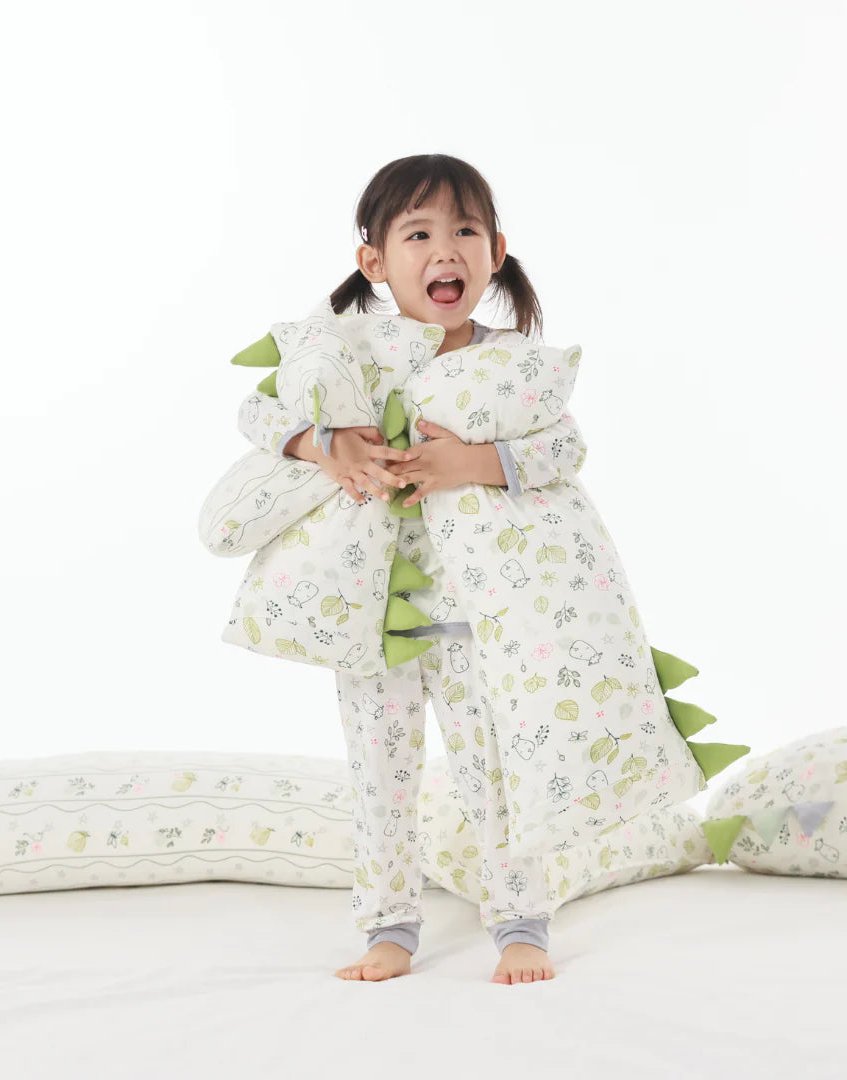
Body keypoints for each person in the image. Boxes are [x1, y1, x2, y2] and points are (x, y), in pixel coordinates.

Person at [235, 155, 589, 985]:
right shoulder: (349, 353)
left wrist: (471, 463)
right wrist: (322, 445)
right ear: (375, 261)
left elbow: (566, 448)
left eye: (465, 230)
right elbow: (254, 409)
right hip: (372, 618)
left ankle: (520, 922)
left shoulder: (513, 363)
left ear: (496, 251)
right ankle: (388, 925)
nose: (445, 251)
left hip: (477, 615)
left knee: (491, 774)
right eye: (419, 235)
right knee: (379, 779)